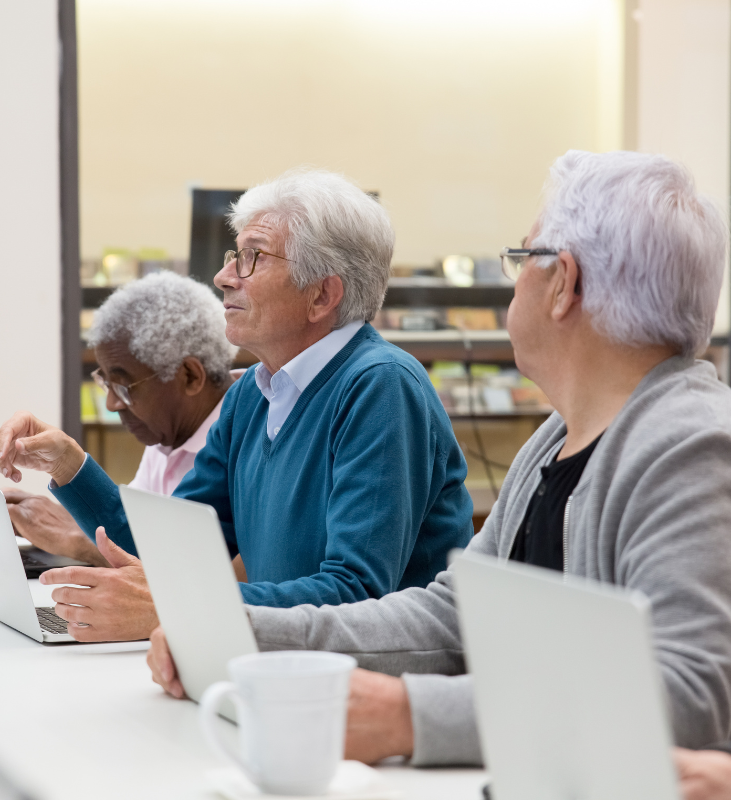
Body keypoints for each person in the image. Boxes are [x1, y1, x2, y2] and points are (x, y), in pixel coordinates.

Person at [146, 150, 731, 766]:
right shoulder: (558, 438)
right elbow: (454, 612)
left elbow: (691, 696)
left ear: (564, 284)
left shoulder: (692, 447)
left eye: (523, 257)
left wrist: (412, 717)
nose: (516, 279)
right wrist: (250, 633)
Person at [0, 169, 474, 642]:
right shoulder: (252, 395)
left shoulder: (380, 386)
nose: (223, 277)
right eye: (232, 255)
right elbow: (172, 550)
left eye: (252, 257)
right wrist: (69, 464)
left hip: (369, 691)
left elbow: (357, 596)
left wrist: (180, 607)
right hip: (278, 670)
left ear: (322, 294)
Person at [2, 271, 246, 580]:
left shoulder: (248, 434)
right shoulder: (168, 437)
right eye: (106, 383)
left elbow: (186, 573)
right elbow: (137, 536)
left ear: (190, 376)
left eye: (125, 387)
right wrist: (75, 517)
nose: (112, 405)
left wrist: (78, 538)